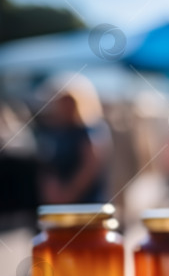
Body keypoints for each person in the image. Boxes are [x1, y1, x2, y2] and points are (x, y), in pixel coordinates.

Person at [32, 74, 111, 204]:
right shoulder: (55, 130)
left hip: (86, 201)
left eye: (69, 101)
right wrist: (51, 190)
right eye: (61, 102)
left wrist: (69, 193)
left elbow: (91, 165)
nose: (65, 107)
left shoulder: (88, 129)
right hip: (59, 200)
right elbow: (47, 165)